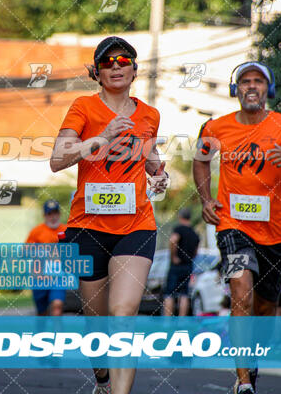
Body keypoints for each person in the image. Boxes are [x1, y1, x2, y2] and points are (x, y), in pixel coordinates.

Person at [50, 36, 168, 394]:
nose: (116, 67)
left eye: (124, 61)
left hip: (136, 225)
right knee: (97, 323)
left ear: (134, 70)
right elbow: (57, 159)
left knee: (123, 314)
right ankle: (101, 378)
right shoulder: (83, 107)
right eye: (107, 62)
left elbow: (150, 161)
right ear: (97, 73)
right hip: (88, 228)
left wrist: (160, 175)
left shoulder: (149, 114)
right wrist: (100, 137)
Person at [193, 61, 281, 394]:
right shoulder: (215, 128)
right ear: (236, 90)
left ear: (267, 90)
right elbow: (200, 161)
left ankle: (252, 359)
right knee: (241, 293)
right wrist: (205, 199)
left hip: (275, 232)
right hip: (232, 226)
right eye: (245, 82)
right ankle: (244, 382)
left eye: (258, 81)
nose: (251, 86)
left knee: (264, 309)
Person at [25, 200, 66, 316]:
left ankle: (57, 334)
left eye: (55, 213)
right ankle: (42, 333)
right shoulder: (36, 231)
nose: (53, 217)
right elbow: (25, 252)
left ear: (59, 214)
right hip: (40, 277)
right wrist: (40, 252)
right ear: (44, 215)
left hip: (58, 276)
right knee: (41, 312)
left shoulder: (66, 230)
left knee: (57, 306)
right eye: (49, 214)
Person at [162, 208, 199, 316]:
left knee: (169, 293)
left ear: (180, 217)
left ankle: (167, 321)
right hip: (188, 265)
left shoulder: (178, 229)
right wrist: (190, 258)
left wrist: (173, 257)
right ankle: (182, 320)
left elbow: (173, 240)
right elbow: (196, 250)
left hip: (176, 266)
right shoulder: (194, 232)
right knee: (184, 294)